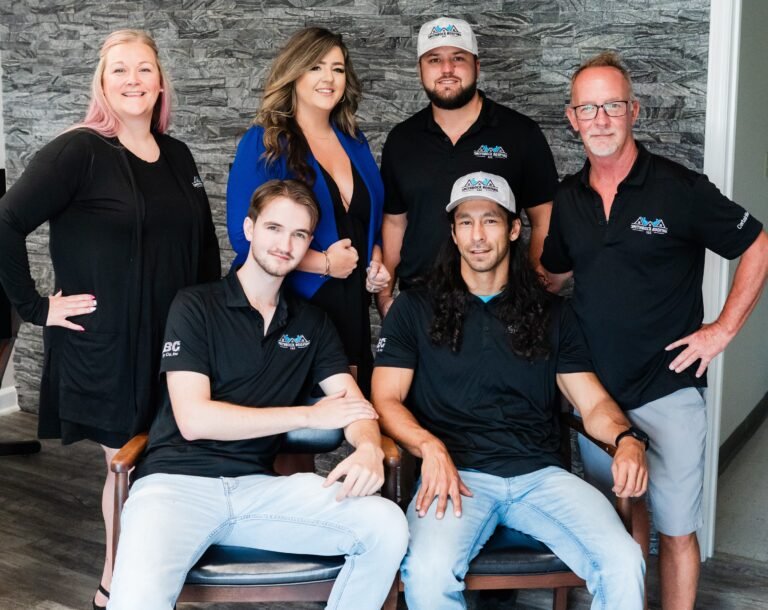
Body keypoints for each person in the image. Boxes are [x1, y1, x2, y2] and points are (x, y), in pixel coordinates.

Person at [107, 179, 408, 610]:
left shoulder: (313, 325)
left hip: (258, 490)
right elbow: (195, 420)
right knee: (136, 600)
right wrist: (306, 416)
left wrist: (367, 448)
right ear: (249, 229)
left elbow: (354, 406)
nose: (285, 244)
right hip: (175, 488)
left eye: (299, 234)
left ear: (308, 246)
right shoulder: (194, 306)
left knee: (386, 524)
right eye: (274, 228)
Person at [0, 30, 220, 609]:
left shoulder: (177, 155)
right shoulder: (79, 150)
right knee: (130, 465)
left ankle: (156, 577)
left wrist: (216, 326)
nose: (133, 80)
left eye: (144, 69)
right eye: (119, 70)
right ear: (101, 82)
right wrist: (35, 306)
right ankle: (115, 584)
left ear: (160, 81)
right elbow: (5, 221)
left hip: (176, 343)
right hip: (108, 344)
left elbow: (203, 251)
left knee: (168, 461)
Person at [541, 51, 768, 610]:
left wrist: (721, 330)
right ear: (572, 118)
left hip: (669, 389)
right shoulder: (568, 200)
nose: (600, 119)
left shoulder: (679, 189)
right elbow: (553, 273)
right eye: (588, 108)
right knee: (619, 524)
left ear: (633, 111)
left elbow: (757, 244)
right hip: (599, 397)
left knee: (676, 530)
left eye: (612, 106)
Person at [373, 171, 648, 610]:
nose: (478, 236)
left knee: (623, 560)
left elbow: (592, 401)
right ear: (453, 231)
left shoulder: (552, 313)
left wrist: (627, 439)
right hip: (456, 477)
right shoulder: (414, 308)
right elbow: (385, 400)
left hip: (540, 476)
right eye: (466, 222)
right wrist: (431, 448)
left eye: (491, 221)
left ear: (515, 229)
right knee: (427, 572)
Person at [227, 27, 389, 396]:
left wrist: (375, 260)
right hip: (291, 302)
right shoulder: (266, 141)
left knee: (345, 415)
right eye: (316, 67)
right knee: (291, 427)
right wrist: (326, 265)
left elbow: (368, 219)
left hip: (350, 303)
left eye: (338, 68)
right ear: (294, 72)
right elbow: (243, 234)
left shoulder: (354, 140)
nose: (329, 78)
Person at [376, 17, 558, 318]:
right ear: (421, 68)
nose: (447, 69)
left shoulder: (520, 133)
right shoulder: (402, 140)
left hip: (499, 305)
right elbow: (395, 223)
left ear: (477, 64)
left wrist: (533, 288)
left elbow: (545, 219)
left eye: (457, 58)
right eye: (435, 60)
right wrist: (384, 297)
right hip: (421, 304)